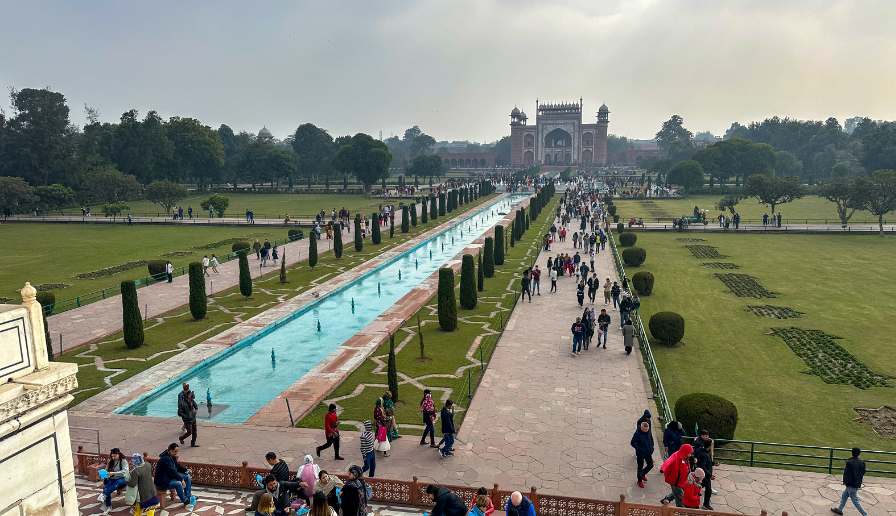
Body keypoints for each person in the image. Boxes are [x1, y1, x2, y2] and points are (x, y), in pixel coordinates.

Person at [153, 443, 193, 510]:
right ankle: (185, 500)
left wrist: (186, 470)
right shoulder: (165, 459)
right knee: (179, 483)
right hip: (163, 481)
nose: (176, 453)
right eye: (175, 451)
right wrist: (181, 479)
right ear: (170, 450)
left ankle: (188, 496)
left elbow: (177, 466)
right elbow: (172, 471)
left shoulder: (172, 456)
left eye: (177, 451)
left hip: (169, 477)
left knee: (187, 476)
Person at [832, 448, 868, 516]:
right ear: (859, 454)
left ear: (852, 453)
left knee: (855, 500)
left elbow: (846, 474)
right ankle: (839, 510)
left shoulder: (849, 462)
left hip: (851, 484)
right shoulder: (862, 462)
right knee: (844, 496)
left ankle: (865, 514)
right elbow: (863, 472)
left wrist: (845, 482)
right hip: (856, 483)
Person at [99, 447, 130, 513]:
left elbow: (125, 472)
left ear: (118, 454)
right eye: (112, 456)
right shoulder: (110, 461)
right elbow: (106, 469)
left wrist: (114, 473)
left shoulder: (123, 461)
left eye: (114, 456)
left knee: (117, 483)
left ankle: (104, 495)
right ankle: (108, 506)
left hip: (122, 479)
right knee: (106, 487)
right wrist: (104, 474)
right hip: (112, 478)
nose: (113, 457)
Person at [630, 420, 654, 489]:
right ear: (642, 428)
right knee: (640, 467)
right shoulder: (637, 434)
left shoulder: (648, 431)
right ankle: (639, 480)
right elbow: (632, 443)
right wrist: (639, 449)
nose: (646, 431)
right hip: (640, 454)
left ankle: (642, 474)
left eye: (647, 429)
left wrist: (652, 447)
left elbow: (651, 439)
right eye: (645, 430)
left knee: (651, 465)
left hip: (648, 452)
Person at [694, 440, 715, 510]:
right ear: (709, 446)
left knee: (697, 487)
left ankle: (705, 504)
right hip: (704, 476)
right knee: (708, 490)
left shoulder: (705, 452)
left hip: (704, 475)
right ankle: (705, 504)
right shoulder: (704, 454)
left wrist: (713, 463)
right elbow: (703, 466)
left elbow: (707, 462)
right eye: (712, 445)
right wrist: (709, 475)